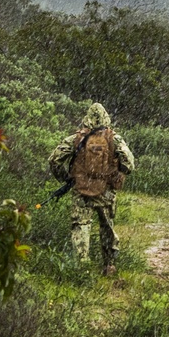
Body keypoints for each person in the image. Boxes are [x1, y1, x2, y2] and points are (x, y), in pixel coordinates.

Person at [48, 102, 134, 276]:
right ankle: (109, 265)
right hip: (106, 191)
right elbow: (129, 163)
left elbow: (54, 159)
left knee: (81, 226)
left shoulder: (76, 139)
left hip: (81, 190)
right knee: (107, 226)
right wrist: (118, 174)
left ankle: (81, 268)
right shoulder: (114, 139)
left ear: (87, 119)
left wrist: (67, 177)